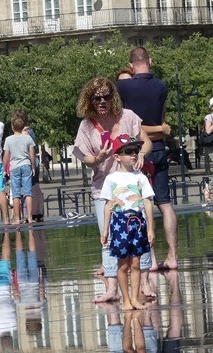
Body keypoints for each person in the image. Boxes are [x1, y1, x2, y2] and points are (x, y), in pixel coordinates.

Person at [72, 76, 151, 303]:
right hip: (104, 189)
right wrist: (99, 157)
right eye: (97, 98)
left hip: (133, 185)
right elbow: (86, 159)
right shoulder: (87, 126)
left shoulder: (127, 116)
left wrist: (143, 153)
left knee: (140, 234)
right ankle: (111, 287)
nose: (102, 101)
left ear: (113, 96)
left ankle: (144, 282)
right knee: (107, 238)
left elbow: (146, 141)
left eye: (107, 96)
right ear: (90, 100)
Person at [116, 46, 178, 269]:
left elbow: (130, 124)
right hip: (159, 149)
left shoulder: (123, 86)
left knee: (143, 205)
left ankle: (150, 260)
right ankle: (172, 256)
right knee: (165, 203)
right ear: (150, 61)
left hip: (137, 153)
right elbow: (161, 123)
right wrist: (159, 130)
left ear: (131, 65)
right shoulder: (161, 86)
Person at [100, 135, 156, 312]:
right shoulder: (111, 179)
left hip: (138, 222)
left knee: (137, 263)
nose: (133, 155)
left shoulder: (140, 177)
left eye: (136, 151)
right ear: (117, 156)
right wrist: (105, 230)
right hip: (119, 222)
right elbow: (108, 205)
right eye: (128, 152)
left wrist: (151, 229)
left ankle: (134, 298)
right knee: (122, 264)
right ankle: (125, 299)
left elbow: (147, 201)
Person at [3, 115, 36, 224]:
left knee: (16, 193)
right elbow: (32, 153)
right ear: (22, 127)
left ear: (12, 127)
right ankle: (30, 217)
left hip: (14, 167)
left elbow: (6, 156)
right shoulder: (28, 138)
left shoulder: (8, 139)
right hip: (26, 165)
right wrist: (33, 166)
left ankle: (17, 219)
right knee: (28, 192)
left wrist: (4, 169)